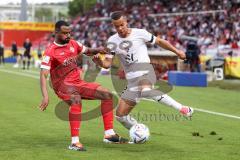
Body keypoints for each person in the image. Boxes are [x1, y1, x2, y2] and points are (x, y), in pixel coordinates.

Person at [93, 11, 194, 132]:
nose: (120, 28)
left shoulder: (140, 33)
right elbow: (107, 64)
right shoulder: (112, 41)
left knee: (146, 91)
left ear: (126, 22)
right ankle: (139, 132)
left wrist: (177, 52)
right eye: (116, 26)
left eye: (122, 25)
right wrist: (100, 62)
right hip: (131, 81)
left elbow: (161, 42)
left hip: (145, 72)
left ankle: (183, 108)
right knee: (121, 116)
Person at [39, 20, 127, 151]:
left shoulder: (74, 44)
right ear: (56, 32)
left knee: (107, 95)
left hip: (77, 83)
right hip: (62, 86)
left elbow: (88, 50)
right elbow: (43, 75)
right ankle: (74, 142)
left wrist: (101, 49)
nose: (68, 36)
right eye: (64, 33)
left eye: (69, 33)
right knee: (76, 100)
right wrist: (45, 96)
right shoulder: (50, 52)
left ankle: (109, 134)